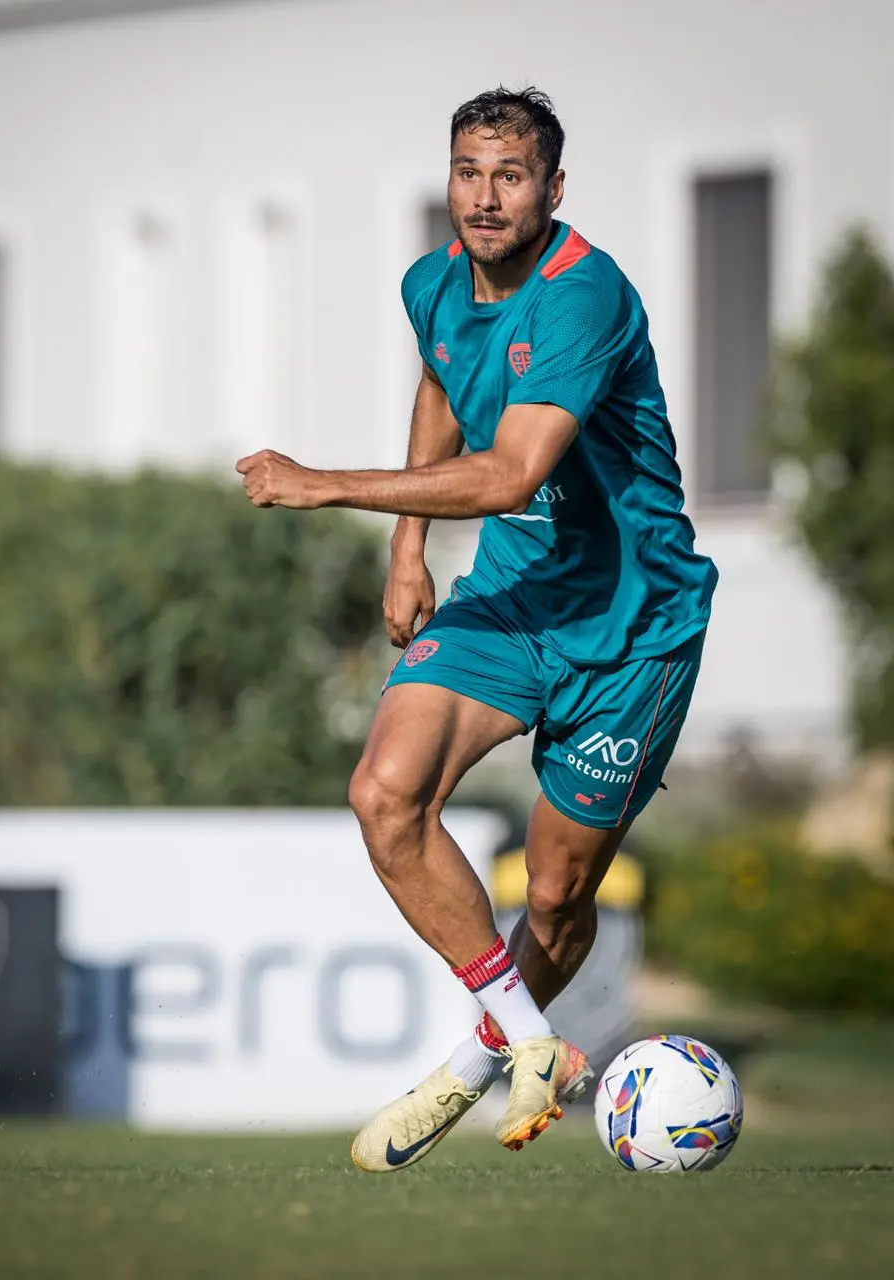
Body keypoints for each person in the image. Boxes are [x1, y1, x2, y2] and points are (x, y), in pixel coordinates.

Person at [237, 86, 717, 1172]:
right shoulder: (432, 282)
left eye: (510, 176)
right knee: (382, 792)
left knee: (555, 892)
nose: (485, 196)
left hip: (634, 624)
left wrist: (326, 487)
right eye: (467, 171)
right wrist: (406, 547)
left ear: (552, 189)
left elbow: (510, 473)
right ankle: (538, 1041)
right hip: (514, 594)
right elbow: (444, 390)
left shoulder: (584, 296)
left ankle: (469, 1066)